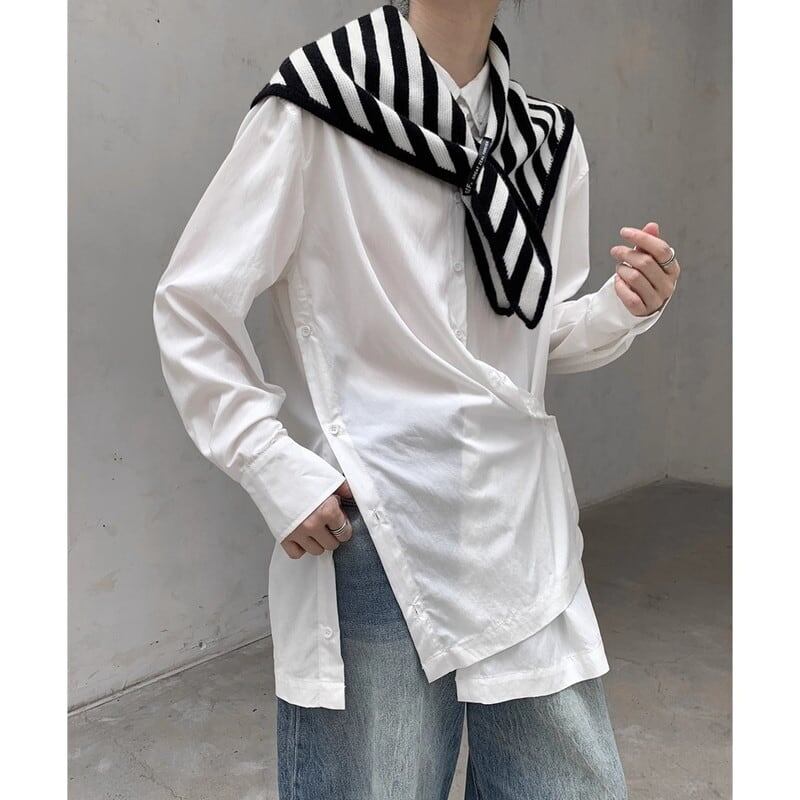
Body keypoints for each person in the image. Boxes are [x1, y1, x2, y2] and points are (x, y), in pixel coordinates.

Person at [153, 1, 680, 797]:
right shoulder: (319, 103)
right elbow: (193, 303)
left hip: (517, 525)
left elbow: (529, 340)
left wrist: (620, 308)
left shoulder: (545, 143)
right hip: (373, 521)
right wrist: (270, 464)